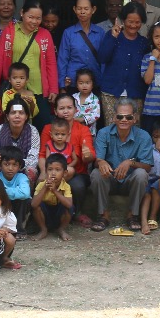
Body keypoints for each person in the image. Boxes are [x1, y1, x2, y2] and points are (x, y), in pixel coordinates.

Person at [0, 0, 57, 129]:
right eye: (30, 17)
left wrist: (53, 88)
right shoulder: (9, 32)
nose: (34, 21)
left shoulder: (45, 34)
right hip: (14, 89)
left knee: (43, 126)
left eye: (38, 18)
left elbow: (51, 63)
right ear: (22, 13)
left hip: (39, 89)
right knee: (14, 126)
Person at [91, 99, 153, 232]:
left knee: (141, 174)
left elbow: (148, 166)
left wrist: (130, 163)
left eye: (128, 117)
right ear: (114, 117)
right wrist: (101, 162)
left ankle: (132, 214)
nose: (123, 120)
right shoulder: (103, 133)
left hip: (130, 181)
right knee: (96, 173)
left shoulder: (143, 136)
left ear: (134, 118)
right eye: (120, 116)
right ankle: (103, 214)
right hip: (110, 179)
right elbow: (97, 160)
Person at [43, 93, 96, 226]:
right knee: (41, 181)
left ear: (76, 109)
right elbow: (42, 155)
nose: (66, 111)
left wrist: (87, 154)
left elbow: (90, 158)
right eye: (61, 108)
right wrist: (44, 173)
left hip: (77, 172)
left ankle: (76, 213)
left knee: (77, 185)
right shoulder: (48, 129)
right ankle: (48, 215)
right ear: (55, 111)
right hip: (51, 171)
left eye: (69, 108)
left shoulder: (83, 130)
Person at [97, 2, 150, 125]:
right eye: (130, 21)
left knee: (133, 131)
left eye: (137, 22)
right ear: (123, 20)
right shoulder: (113, 36)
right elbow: (102, 58)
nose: (133, 25)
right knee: (112, 130)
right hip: (111, 92)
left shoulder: (144, 43)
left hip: (136, 93)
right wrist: (113, 37)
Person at [0, 97, 41, 182]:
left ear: (26, 116)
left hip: (22, 167)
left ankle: (25, 194)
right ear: (7, 116)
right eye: (13, 113)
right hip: (2, 167)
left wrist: (16, 164)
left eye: (21, 113)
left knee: (31, 172)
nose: (17, 116)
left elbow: (33, 159)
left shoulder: (33, 131)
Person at [58, 0, 105, 90]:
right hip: (73, 82)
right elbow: (63, 59)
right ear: (74, 9)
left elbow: (104, 60)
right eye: (79, 8)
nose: (82, 12)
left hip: (95, 82)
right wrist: (62, 84)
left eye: (86, 9)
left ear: (93, 10)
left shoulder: (100, 32)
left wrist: (104, 80)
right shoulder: (68, 33)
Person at [0, 147, 32, 235]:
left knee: (25, 200)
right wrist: (15, 192)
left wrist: (3, 191)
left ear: (20, 166)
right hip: (3, 206)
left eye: (15, 165)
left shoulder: (21, 177)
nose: (10, 168)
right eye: (6, 164)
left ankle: (19, 229)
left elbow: (25, 194)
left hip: (18, 207)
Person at [34, 153, 73, 241]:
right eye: (50, 169)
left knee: (68, 207)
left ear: (65, 173)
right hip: (45, 215)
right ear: (46, 171)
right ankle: (43, 229)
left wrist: (55, 191)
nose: (53, 173)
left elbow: (69, 205)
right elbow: (33, 204)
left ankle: (61, 229)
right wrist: (45, 188)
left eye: (57, 170)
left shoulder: (66, 186)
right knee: (37, 206)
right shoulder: (41, 185)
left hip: (59, 215)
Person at [72, 68, 100, 137]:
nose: (84, 86)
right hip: (73, 130)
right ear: (77, 85)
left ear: (92, 84)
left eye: (87, 83)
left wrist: (82, 119)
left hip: (89, 132)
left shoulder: (94, 99)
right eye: (81, 83)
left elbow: (96, 115)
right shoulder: (73, 97)